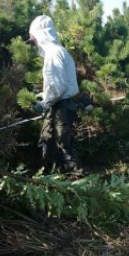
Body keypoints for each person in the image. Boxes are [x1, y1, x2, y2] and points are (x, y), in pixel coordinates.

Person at [27, 15, 81, 174]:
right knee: (47, 141)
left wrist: (44, 103)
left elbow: (59, 87)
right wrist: (43, 96)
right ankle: (49, 179)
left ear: (41, 35)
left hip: (61, 108)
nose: (33, 43)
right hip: (58, 106)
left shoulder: (54, 54)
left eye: (33, 39)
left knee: (63, 147)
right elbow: (56, 86)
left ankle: (76, 184)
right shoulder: (58, 52)